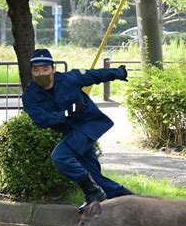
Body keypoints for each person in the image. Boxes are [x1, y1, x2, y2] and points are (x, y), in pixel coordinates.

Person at [22, 49, 134, 212]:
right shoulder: (30, 95)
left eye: (45, 69)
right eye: (36, 70)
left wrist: (119, 72)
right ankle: (132, 201)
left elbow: (94, 75)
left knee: (60, 156)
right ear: (31, 71)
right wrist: (66, 113)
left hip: (89, 125)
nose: (41, 73)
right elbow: (41, 120)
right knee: (94, 176)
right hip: (71, 132)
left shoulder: (69, 79)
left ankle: (93, 193)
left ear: (53, 69)